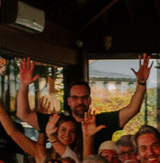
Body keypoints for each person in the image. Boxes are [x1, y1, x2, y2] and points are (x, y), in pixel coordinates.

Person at [16, 55, 152, 155]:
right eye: (75, 98)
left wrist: (141, 83)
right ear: (68, 101)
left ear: (90, 100)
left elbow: (133, 109)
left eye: (84, 98)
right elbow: (23, 114)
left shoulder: (101, 121)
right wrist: (23, 85)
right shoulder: (57, 122)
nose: (80, 102)